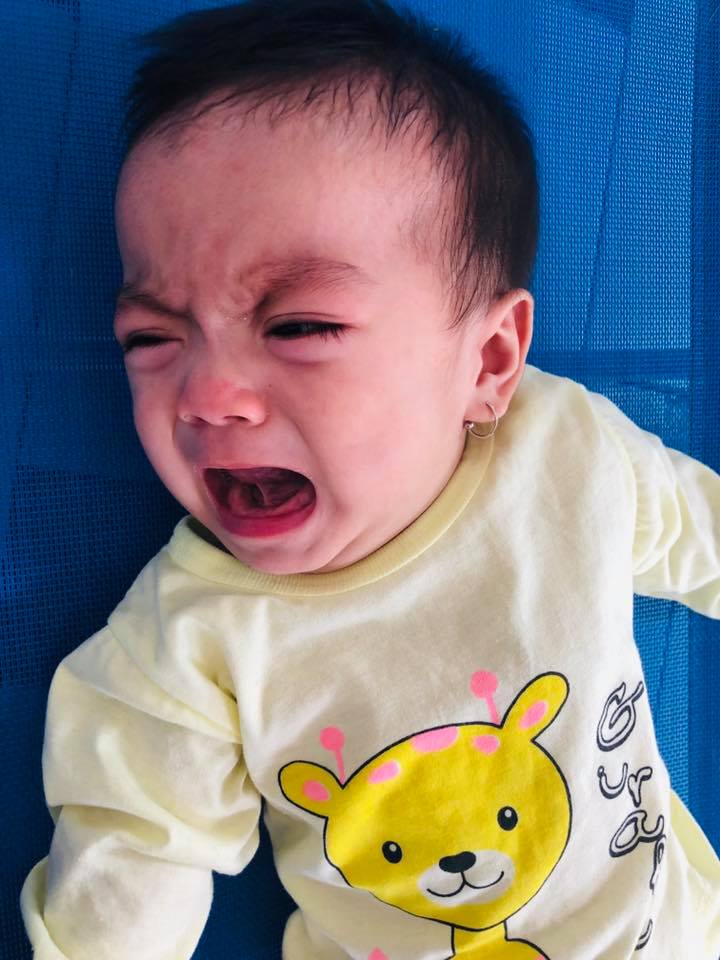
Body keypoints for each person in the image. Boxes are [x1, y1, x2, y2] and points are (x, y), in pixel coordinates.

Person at [19, 1, 720, 957]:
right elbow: (134, 858)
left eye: (299, 326)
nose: (207, 396)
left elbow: (702, 535)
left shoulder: (564, 456)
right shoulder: (187, 642)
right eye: (150, 339)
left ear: (487, 361)